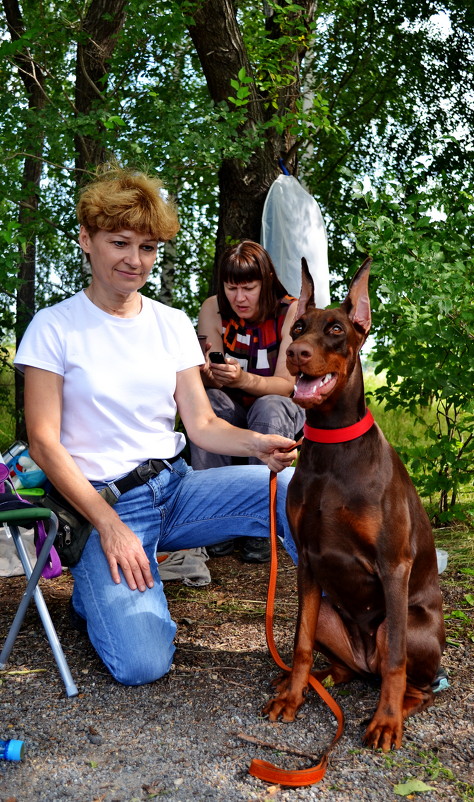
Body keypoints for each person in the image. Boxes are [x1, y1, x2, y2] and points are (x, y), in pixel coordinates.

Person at [13, 165, 298, 687]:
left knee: (295, 490)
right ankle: (97, 586)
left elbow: (203, 424)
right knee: (143, 664)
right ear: (86, 240)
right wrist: (109, 526)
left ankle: (348, 624)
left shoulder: (169, 323)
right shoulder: (54, 327)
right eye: (120, 242)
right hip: (106, 503)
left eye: (147, 248)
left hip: (177, 488)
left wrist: (259, 443)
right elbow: (44, 443)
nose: (134, 259)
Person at [190, 240, 305, 563]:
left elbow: (285, 386)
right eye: (231, 288)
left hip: (278, 407)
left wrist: (242, 379)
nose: (239, 298)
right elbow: (207, 381)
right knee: (208, 402)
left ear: (266, 281)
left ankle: (263, 524)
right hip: (231, 407)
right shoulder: (212, 308)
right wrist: (207, 372)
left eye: (248, 288)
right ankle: (213, 519)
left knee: (269, 406)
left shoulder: (291, 311)